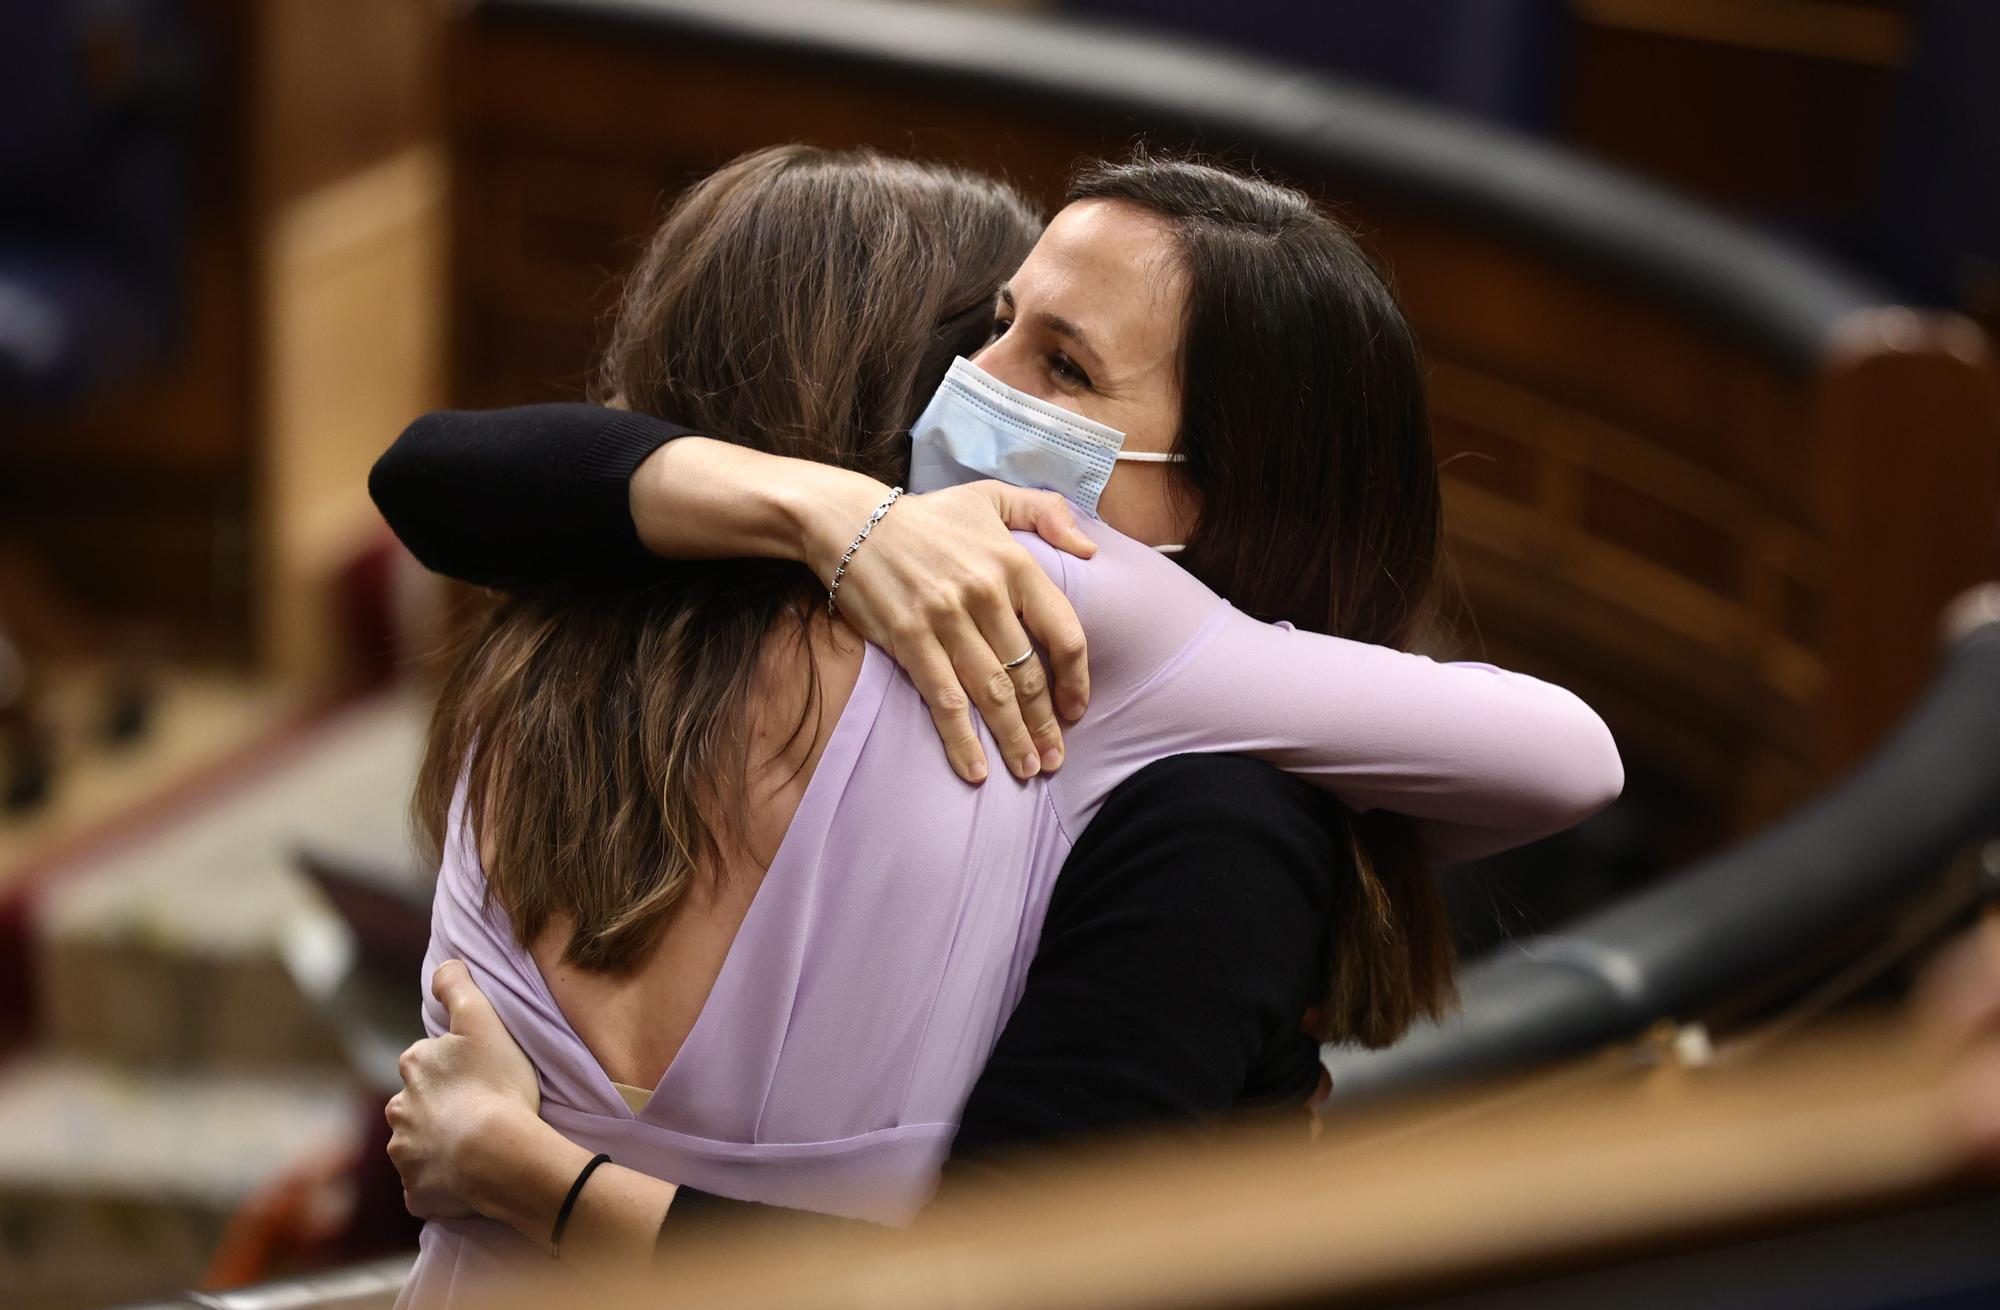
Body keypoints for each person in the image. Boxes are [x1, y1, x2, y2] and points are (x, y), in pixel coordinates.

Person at [378, 145, 1623, 1298]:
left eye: (1063, 365)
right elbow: (437, 472)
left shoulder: (1133, 662)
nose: (974, 382)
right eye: (992, 327)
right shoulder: (727, 590)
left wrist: (530, 1174)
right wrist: (835, 513)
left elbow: (1567, 754)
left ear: (1215, 497)